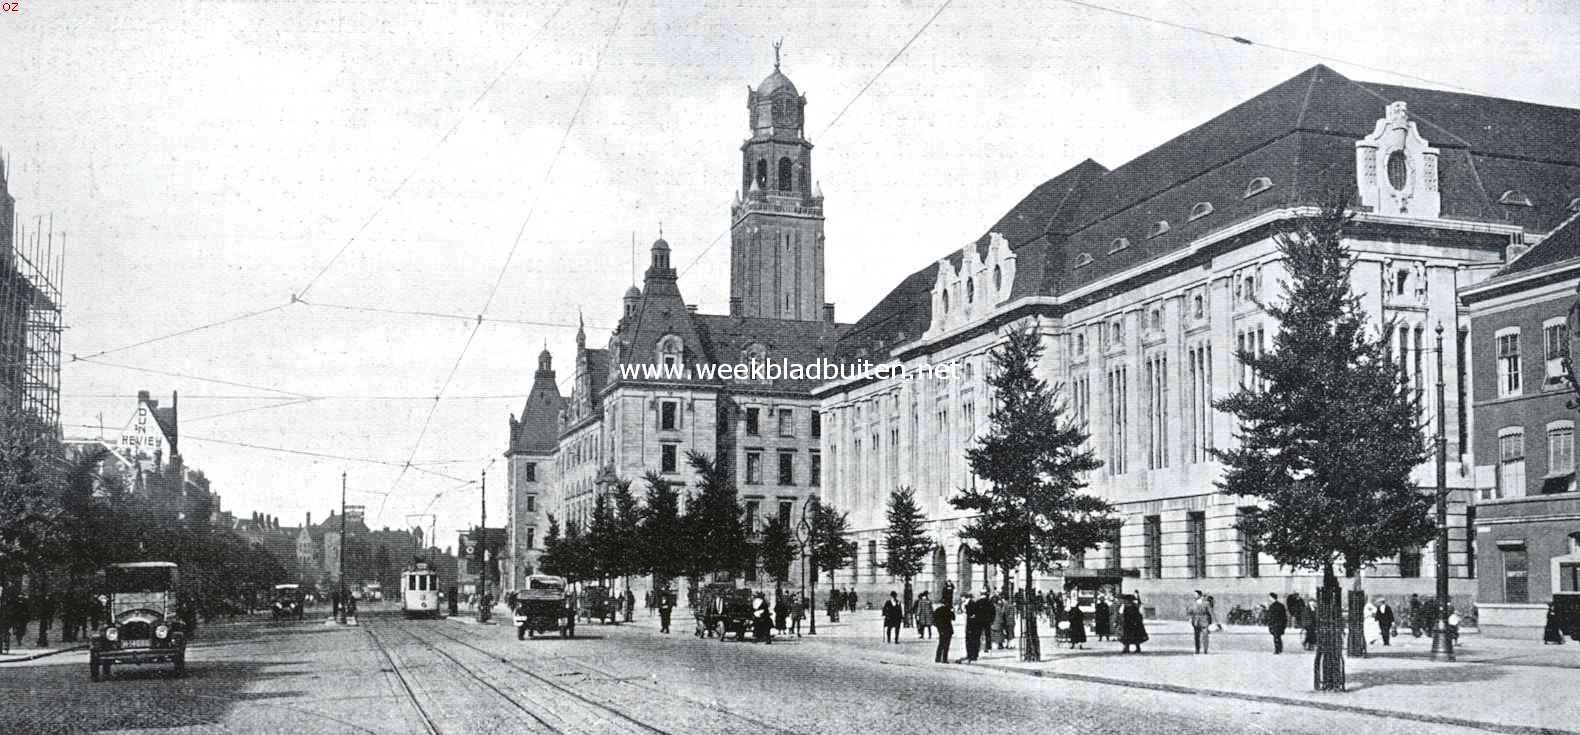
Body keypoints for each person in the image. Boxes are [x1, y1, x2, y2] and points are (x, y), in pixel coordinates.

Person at [1187, 590, 1214, 654]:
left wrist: (1211, 622)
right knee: (1196, 636)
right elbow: (1190, 611)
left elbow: (1210, 612)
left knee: (1205, 635)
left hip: (1204, 620)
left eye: (1195, 594)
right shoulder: (1193, 603)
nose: (1194, 596)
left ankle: (1205, 649)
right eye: (1194, 595)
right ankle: (1197, 649)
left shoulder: (1206, 603)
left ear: (1199, 595)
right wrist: (1190, 616)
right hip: (1196, 621)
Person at [961, 593, 982, 662]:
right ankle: (972, 655)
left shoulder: (971, 604)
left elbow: (973, 614)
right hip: (970, 625)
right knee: (971, 640)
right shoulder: (968, 603)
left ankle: (972, 655)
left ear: (964, 597)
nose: (961, 599)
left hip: (972, 626)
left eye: (962, 597)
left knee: (971, 640)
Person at [933, 598, 955, 663]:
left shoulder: (937, 610)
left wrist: (938, 627)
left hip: (941, 629)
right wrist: (952, 611)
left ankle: (937, 658)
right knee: (946, 645)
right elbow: (953, 618)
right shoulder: (948, 610)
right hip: (948, 629)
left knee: (941, 644)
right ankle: (944, 659)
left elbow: (934, 620)